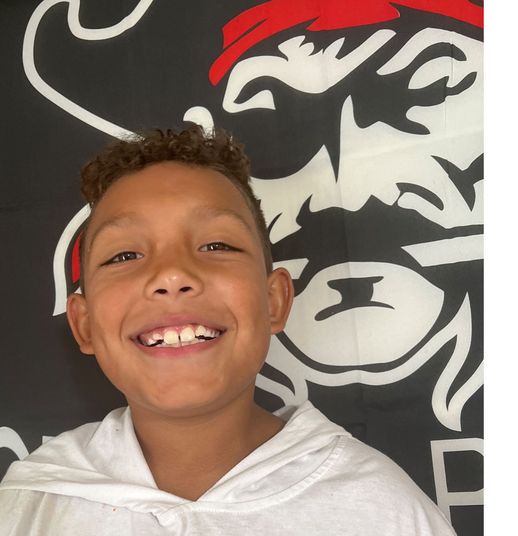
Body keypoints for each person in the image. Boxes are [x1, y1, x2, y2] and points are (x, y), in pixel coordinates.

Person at [0, 125, 456, 535]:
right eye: (124, 256)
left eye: (216, 245)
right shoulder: (26, 507)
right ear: (84, 324)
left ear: (274, 301)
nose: (171, 275)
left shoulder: (383, 511)